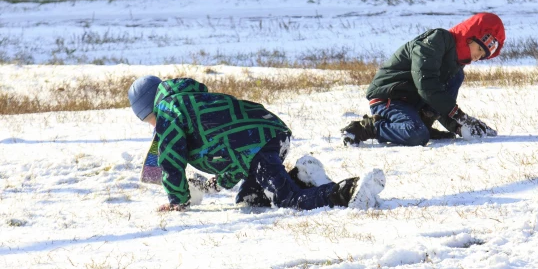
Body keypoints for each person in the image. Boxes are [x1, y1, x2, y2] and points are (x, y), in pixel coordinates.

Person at [128, 76, 385, 212]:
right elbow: (227, 150)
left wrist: (177, 199)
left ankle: (349, 191)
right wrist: (214, 185)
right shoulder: (190, 101)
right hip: (264, 138)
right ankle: (303, 177)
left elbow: (170, 158)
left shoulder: (169, 111)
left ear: (150, 109)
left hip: (259, 144)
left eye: (150, 121)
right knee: (249, 201)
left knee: (287, 201)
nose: (154, 127)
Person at [341, 12, 506, 147]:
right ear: (470, 36)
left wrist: (460, 127)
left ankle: (423, 125)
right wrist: (460, 116)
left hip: (413, 101)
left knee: (456, 77)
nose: (478, 57)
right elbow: (427, 85)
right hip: (390, 97)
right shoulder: (436, 40)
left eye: (483, 56)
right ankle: (365, 128)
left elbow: (440, 100)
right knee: (417, 135)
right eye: (479, 49)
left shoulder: (456, 66)